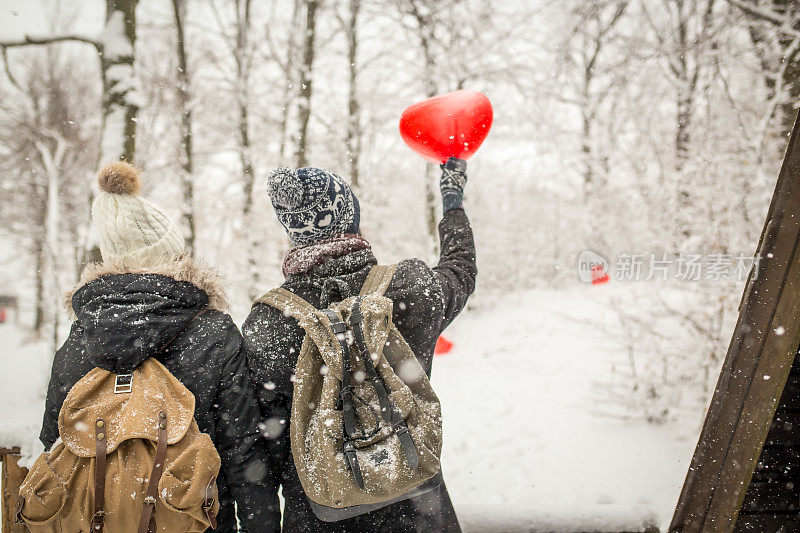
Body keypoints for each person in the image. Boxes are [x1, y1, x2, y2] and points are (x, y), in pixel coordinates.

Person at [243, 157, 477, 532]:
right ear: (349, 215)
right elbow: (461, 269)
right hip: (418, 505)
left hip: (319, 513)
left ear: (292, 231)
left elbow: (264, 442)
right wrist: (452, 202)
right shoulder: (408, 288)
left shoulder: (269, 321)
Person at [39, 162, 272, 532]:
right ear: (171, 254)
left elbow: (55, 443)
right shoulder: (211, 332)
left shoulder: (80, 338)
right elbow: (243, 452)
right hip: (195, 518)